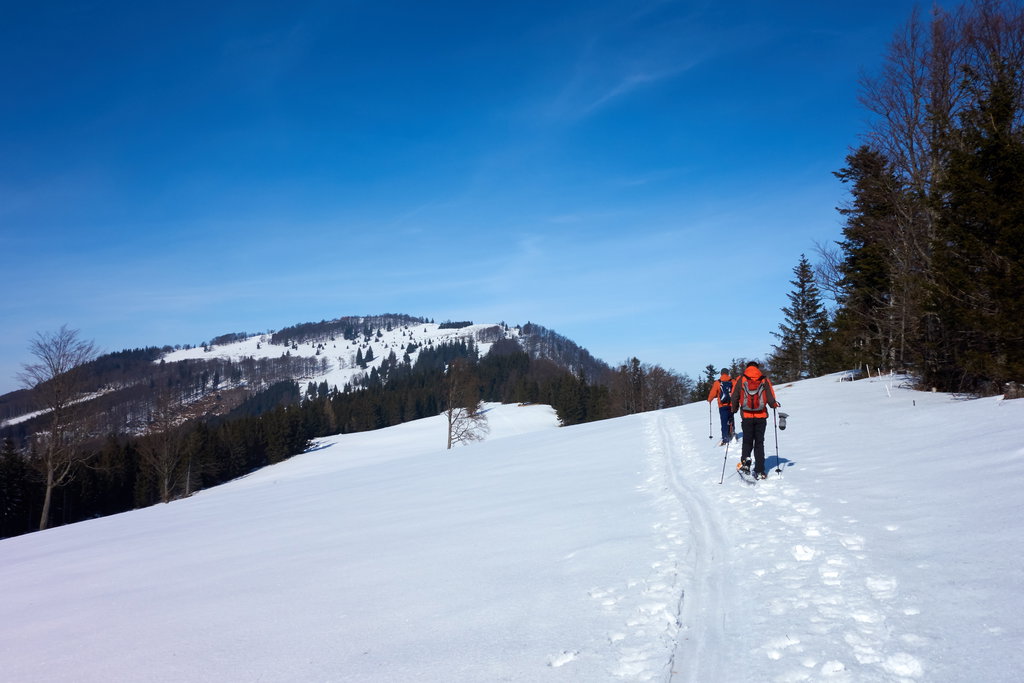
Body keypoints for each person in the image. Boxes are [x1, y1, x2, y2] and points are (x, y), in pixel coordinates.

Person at [730, 361, 780, 479]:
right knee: (759, 443)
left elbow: (734, 396)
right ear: (757, 368)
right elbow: (771, 397)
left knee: (747, 441)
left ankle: (745, 463)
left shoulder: (741, 379)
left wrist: (734, 409)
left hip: (746, 417)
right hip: (761, 416)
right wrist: (773, 405)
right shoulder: (763, 379)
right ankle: (760, 470)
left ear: (747, 368)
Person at [706, 368, 735, 446]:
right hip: (731, 405)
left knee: (724, 421)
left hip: (722, 406)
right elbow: (736, 391)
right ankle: (732, 432)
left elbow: (713, 393)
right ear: (728, 373)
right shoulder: (732, 381)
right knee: (731, 419)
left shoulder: (718, 382)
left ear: (721, 374)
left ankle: (725, 437)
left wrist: (709, 399)